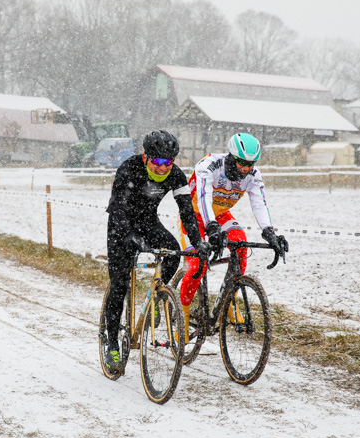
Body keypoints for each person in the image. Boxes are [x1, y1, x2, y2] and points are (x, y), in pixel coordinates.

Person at [103, 130, 211, 370]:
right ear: (146, 157)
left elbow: (187, 212)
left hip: (148, 222)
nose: (163, 168)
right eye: (158, 162)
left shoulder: (176, 176)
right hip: (121, 226)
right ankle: (111, 342)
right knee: (119, 285)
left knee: (172, 252)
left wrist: (197, 242)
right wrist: (131, 238)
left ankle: (156, 295)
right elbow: (118, 210)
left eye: (168, 162)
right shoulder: (129, 168)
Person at [177, 133, 288, 337]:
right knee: (197, 266)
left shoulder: (253, 175)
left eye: (250, 164)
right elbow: (203, 197)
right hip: (194, 216)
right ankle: (181, 318)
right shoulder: (209, 165)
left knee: (240, 243)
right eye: (241, 162)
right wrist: (211, 227)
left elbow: (259, 202)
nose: (245, 168)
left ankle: (229, 297)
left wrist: (269, 232)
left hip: (219, 215)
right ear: (231, 156)